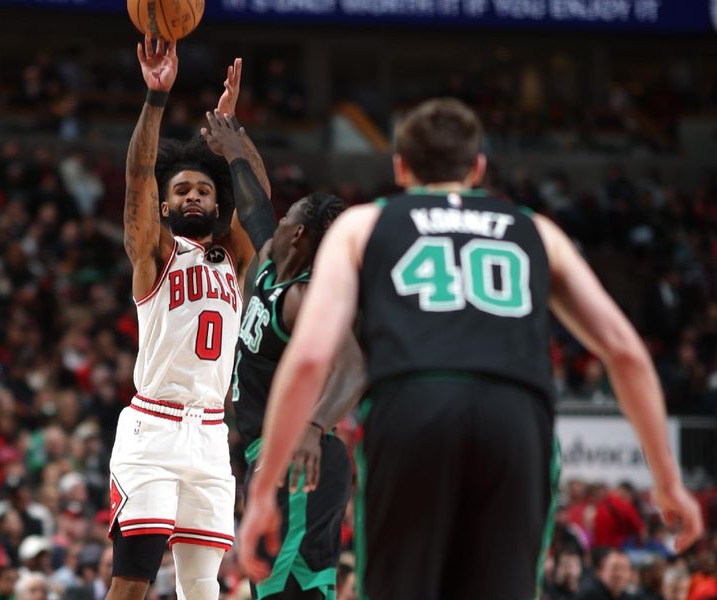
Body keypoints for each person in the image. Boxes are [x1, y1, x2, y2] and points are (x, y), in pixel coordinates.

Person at [237, 98, 703, 599]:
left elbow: (310, 357)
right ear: (479, 166)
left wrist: (264, 492)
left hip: (415, 406)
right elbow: (625, 352)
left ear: (400, 167)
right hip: (516, 417)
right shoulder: (536, 229)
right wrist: (668, 482)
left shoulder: (363, 225)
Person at [106, 37, 270, 600]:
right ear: (166, 203)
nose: (194, 195)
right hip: (152, 428)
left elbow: (261, 207)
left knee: (204, 586)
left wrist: (233, 138)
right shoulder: (154, 253)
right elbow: (136, 179)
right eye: (182, 189)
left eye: (204, 188)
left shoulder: (235, 258)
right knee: (132, 581)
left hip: (209, 435)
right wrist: (156, 98)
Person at [203, 118, 364, 599]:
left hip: (299, 456)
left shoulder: (305, 296)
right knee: (296, 591)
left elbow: (355, 366)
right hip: (276, 458)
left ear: (299, 236)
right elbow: (253, 206)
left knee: (281, 591)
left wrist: (314, 428)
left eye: (289, 216)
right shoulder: (272, 268)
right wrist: (233, 149)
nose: (278, 219)